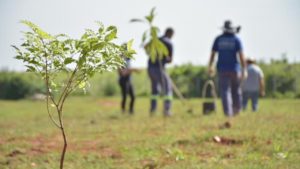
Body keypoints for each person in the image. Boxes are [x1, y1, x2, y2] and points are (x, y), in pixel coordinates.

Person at [208, 20, 247, 117]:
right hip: (234, 69)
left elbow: (213, 54)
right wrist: (244, 69)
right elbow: (241, 56)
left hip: (222, 69)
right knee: (236, 90)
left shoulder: (218, 39)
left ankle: (228, 112)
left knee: (225, 91)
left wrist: (210, 66)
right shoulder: (236, 39)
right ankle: (236, 110)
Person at [147, 28, 174, 117]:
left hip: (150, 68)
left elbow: (146, 48)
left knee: (155, 90)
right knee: (168, 88)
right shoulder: (168, 43)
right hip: (159, 68)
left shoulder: (156, 40)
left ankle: (152, 110)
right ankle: (167, 110)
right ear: (171, 34)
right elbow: (170, 60)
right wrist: (164, 58)